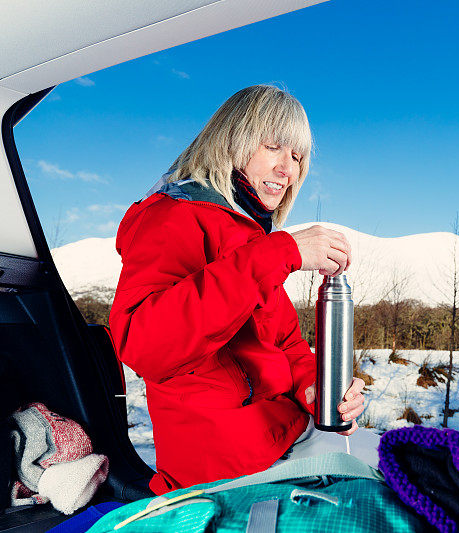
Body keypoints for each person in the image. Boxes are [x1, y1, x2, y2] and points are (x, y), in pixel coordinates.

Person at [108, 85, 378, 496]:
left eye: (297, 157)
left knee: (425, 471)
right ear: (232, 140)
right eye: (274, 147)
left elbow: (285, 346)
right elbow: (144, 344)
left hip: (288, 434)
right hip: (226, 466)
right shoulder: (171, 219)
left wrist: (315, 388)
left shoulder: (250, 237)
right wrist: (280, 253)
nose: (288, 170)